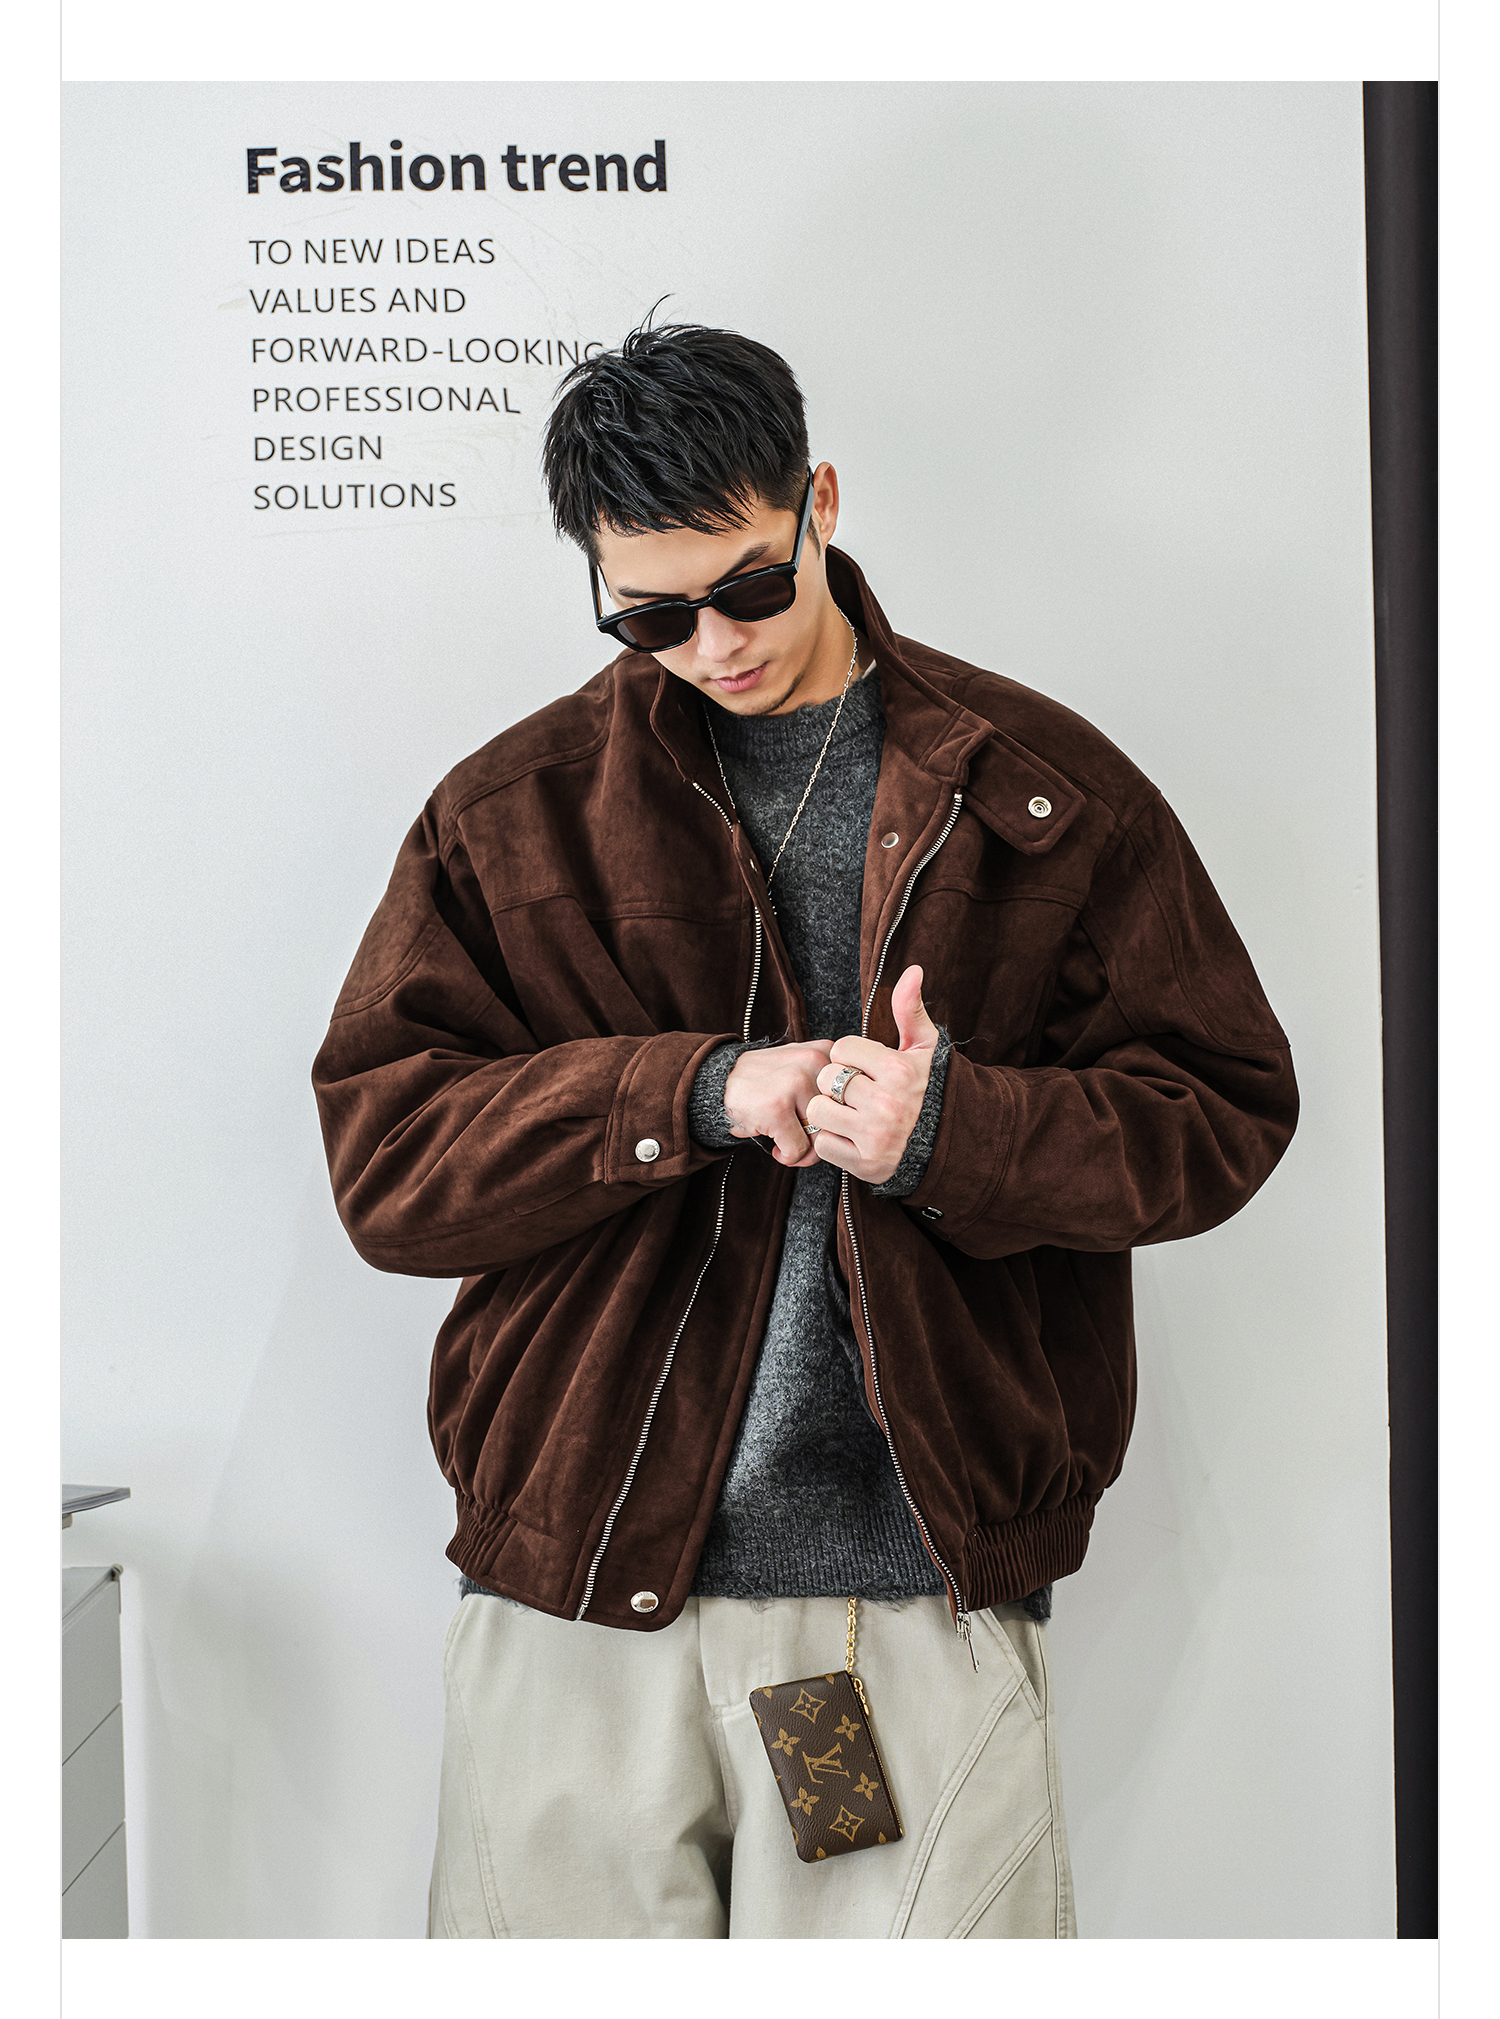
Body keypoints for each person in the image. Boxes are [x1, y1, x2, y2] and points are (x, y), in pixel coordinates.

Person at [312, 320, 1299, 1939]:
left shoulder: (1037, 793)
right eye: (652, 614)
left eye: (751, 587)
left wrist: (952, 1131)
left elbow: (1220, 1107)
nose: (714, 644)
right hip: (578, 1602)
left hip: (887, 1608)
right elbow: (391, 1165)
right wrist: (693, 1092)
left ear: (819, 502)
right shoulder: (514, 815)